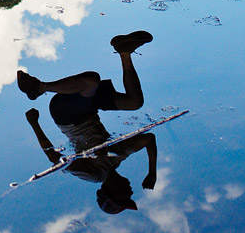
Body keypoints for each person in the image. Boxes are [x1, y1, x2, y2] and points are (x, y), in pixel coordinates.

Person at [17, 30, 157, 214]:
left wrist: (34, 124)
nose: (130, 191)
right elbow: (149, 139)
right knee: (134, 102)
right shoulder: (118, 157)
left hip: (67, 115)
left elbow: (55, 159)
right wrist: (152, 172)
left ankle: (39, 88)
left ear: (111, 193)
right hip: (89, 107)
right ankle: (124, 51)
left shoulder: (94, 175)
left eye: (126, 196)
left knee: (91, 81)